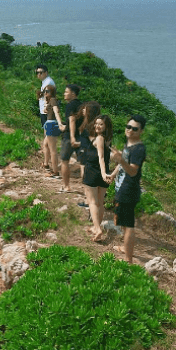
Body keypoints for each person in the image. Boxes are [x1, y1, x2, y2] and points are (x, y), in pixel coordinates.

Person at [109, 115, 147, 264]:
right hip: (121, 187)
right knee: (123, 221)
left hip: (129, 190)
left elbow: (133, 171)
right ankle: (126, 249)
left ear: (141, 131)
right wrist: (112, 175)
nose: (130, 130)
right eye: (128, 127)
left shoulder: (138, 149)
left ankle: (128, 260)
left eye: (134, 129)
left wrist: (120, 159)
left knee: (129, 224)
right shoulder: (129, 143)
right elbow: (122, 164)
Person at [83, 115, 113, 242]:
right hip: (104, 173)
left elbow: (100, 157)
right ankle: (96, 227)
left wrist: (102, 173)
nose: (97, 126)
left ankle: (97, 228)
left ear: (106, 126)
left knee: (92, 202)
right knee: (100, 202)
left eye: (101, 124)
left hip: (94, 172)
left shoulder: (100, 138)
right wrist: (106, 173)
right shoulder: (108, 138)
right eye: (96, 123)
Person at [75, 100, 101, 208]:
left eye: (86, 109)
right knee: (86, 177)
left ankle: (88, 201)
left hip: (87, 153)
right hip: (87, 152)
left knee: (85, 177)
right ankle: (89, 200)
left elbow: (93, 142)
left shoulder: (91, 125)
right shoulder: (92, 123)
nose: (84, 110)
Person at [59, 84, 82, 192]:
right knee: (83, 163)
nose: (64, 94)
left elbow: (72, 120)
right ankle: (89, 189)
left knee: (64, 161)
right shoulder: (81, 105)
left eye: (66, 92)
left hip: (69, 137)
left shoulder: (70, 105)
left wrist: (72, 136)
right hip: (81, 137)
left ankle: (66, 186)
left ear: (73, 94)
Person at [35, 65, 56, 168]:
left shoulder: (48, 82)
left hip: (47, 113)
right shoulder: (45, 82)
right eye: (37, 72)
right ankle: (47, 162)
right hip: (44, 113)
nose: (39, 74)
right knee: (46, 138)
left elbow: (51, 98)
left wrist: (47, 108)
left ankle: (49, 164)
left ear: (46, 72)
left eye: (41, 72)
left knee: (47, 140)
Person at [42, 85, 64, 177]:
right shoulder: (50, 100)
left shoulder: (53, 100)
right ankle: (46, 164)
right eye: (44, 91)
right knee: (45, 144)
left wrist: (60, 123)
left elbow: (56, 112)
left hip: (52, 125)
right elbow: (46, 111)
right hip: (49, 124)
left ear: (52, 92)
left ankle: (55, 172)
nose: (45, 93)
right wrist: (46, 104)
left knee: (53, 150)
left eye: (47, 91)